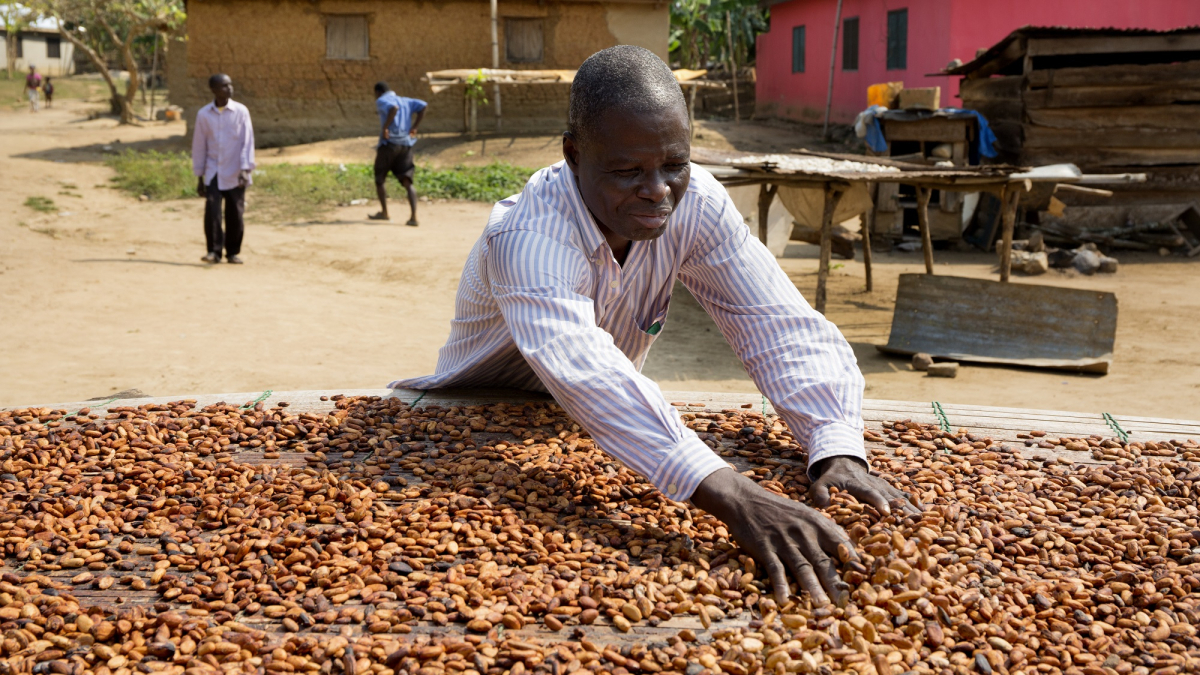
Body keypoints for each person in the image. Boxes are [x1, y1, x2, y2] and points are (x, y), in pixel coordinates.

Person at [391, 46, 919, 607]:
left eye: (675, 165)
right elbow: (582, 367)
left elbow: (775, 323)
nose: (658, 191)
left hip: (608, 428)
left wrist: (834, 446)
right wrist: (735, 495)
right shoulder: (529, 235)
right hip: (470, 421)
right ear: (573, 154)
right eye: (626, 171)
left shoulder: (697, 206)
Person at [191, 73, 255, 264]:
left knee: (235, 213)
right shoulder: (204, 115)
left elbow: (247, 141)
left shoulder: (241, 112)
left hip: (236, 171)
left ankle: (233, 252)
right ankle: (214, 251)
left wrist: (245, 169)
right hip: (213, 172)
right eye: (224, 86)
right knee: (213, 213)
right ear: (214, 90)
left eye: (230, 85)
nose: (229, 89)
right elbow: (199, 146)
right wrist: (199, 177)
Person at [369, 81, 426, 226]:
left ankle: (384, 213)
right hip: (405, 145)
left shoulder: (382, 100)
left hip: (389, 144)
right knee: (407, 181)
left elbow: (393, 109)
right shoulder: (405, 100)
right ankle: (414, 217)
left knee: (379, 178)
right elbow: (423, 105)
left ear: (377, 92)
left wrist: (385, 128)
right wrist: (415, 126)